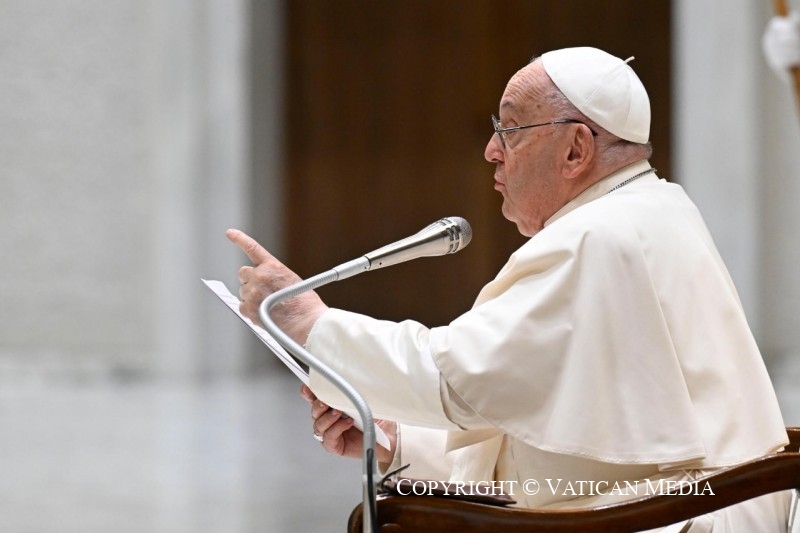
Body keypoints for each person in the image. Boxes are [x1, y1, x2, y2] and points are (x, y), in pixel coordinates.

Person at [228, 47, 793, 530]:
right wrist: (399, 439)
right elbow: (560, 440)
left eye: (511, 130)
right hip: (692, 506)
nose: (491, 150)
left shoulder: (596, 237)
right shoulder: (655, 207)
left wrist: (306, 319)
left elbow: (450, 380)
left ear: (576, 149)